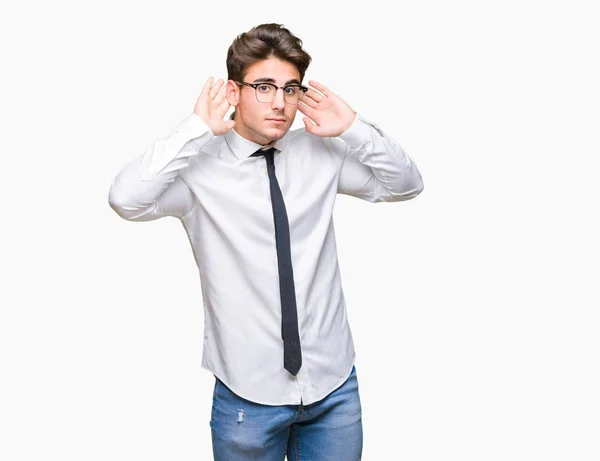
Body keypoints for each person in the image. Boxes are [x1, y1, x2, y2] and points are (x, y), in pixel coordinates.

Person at [108, 22, 424, 461]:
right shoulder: (197, 169)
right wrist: (196, 127)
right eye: (264, 86)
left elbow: (405, 185)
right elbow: (125, 199)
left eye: (291, 89)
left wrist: (353, 128)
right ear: (234, 91)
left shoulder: (321, 153)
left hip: (334, 389)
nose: (280, 103)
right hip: (247, 398)